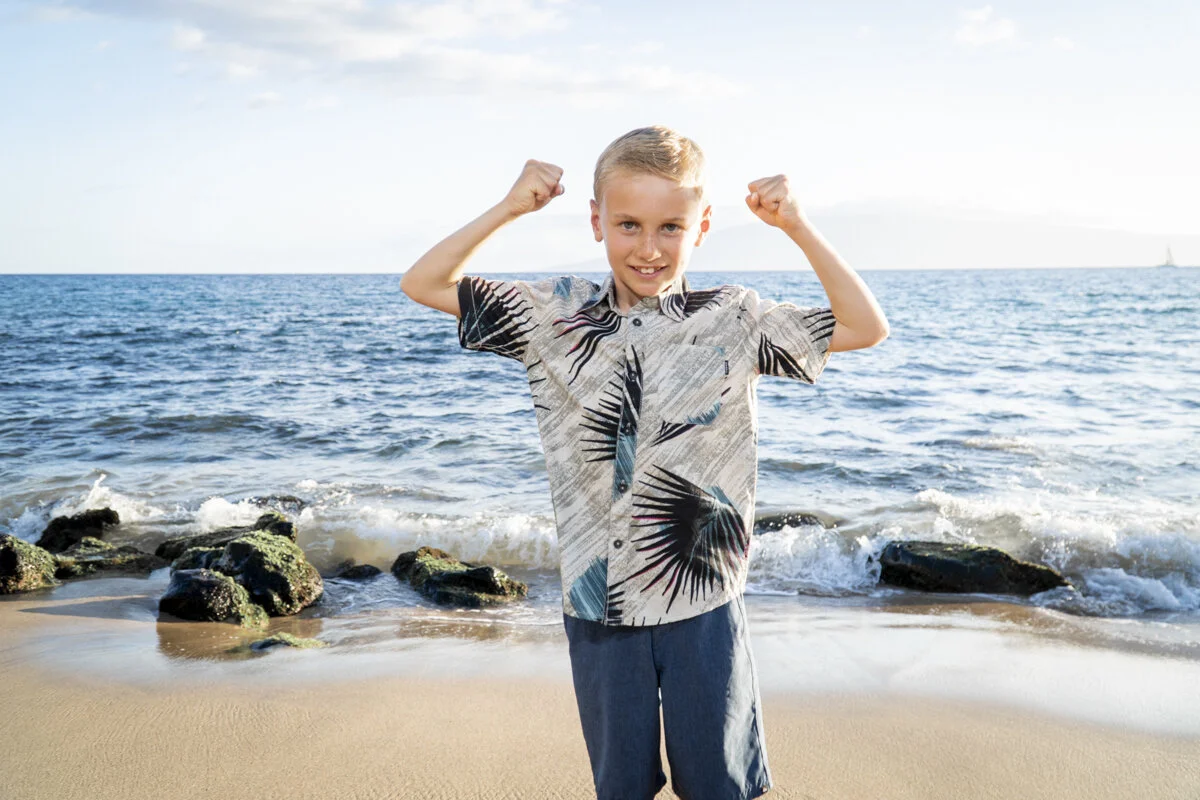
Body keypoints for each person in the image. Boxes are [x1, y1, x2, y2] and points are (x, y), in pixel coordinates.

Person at [401, 125, 889, 800]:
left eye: (671, 227)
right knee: (621, 787)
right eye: (628, 224)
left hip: (704, 599)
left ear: (702, 227)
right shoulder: (552, 313)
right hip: (597, 604)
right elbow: (423, 281)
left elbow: (865, 327)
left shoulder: (734, 317)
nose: (649, 248)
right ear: (596, 221)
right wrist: (510, 207)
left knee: (718, 785)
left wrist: (797, 226)